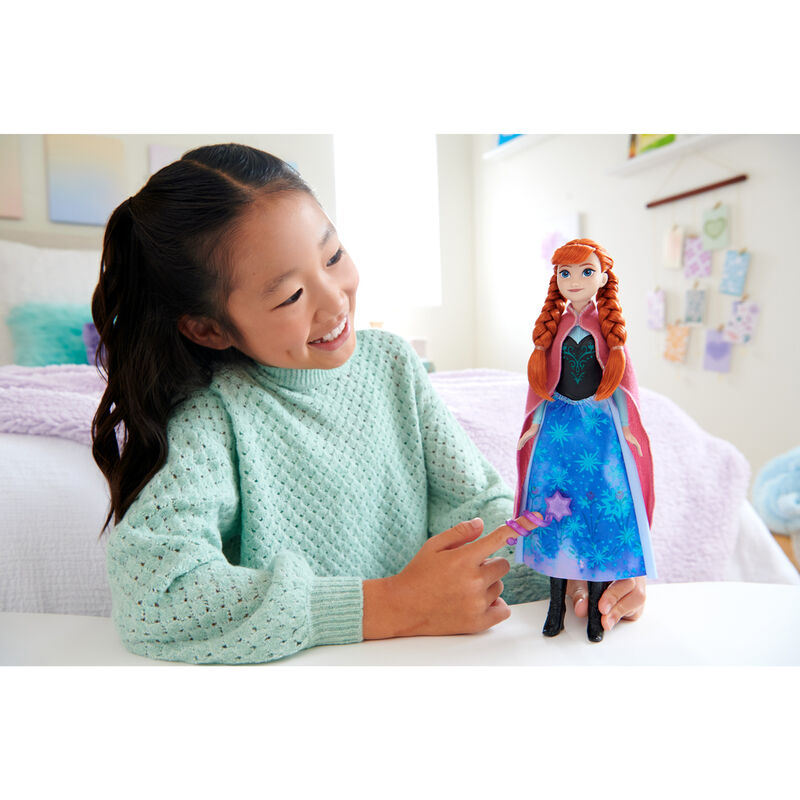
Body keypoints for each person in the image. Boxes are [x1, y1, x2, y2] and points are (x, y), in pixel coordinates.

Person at [91, 145, 644, 664]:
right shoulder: (214, 415)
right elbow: (153, 594)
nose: (335, 301)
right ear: (209, 329)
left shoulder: (392, 363)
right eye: (290, 296)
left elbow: (478, 507)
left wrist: (576, 563)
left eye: (333, 256)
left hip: (435, 664)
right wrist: (391, 605)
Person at [509, 238, 656, 642]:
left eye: (586, 271)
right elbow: (543, 384)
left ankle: (595, 613)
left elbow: (620, 382)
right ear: (556, 279)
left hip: (599, 427)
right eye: (565, 272)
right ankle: (554, 609)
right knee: (554, 515)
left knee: (597, 514)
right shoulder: (553, 329)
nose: (574, 280)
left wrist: (628, 426)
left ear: (603, 278)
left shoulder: (605, 329)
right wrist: (534, 423)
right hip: (558, 427)